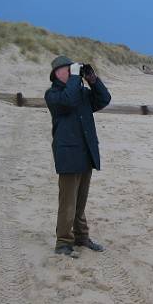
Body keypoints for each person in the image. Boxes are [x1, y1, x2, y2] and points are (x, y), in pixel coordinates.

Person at [44, 55, 111, 256]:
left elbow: (103, 99)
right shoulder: (53, 95)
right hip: (68, 155)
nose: (72, 73)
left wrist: (92, 79)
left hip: (85, 153)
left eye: (72, 70)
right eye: (67, 69)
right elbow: (67, 102)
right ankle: (63, 242)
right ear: (56, 73)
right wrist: (75, 79)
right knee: (68, 203)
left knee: (80, 201)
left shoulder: (80, 92)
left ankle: (81, 237)